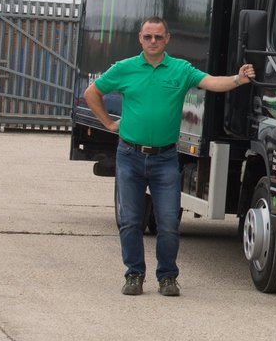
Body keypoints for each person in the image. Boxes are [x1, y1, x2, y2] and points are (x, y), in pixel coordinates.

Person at [84, 16, 254, 297]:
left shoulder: (180, 69)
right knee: (130, 220)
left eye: (158, 37)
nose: (153, 41)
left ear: (167, 39)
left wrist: (238, 79)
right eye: (148, 36)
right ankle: (134, 274)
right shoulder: (125, 68)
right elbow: (93, 93)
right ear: (140, 38)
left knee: (167, 222)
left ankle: (167, 277)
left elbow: (211, 82)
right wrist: (109, 124)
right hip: (130, 155)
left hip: (165, 159)